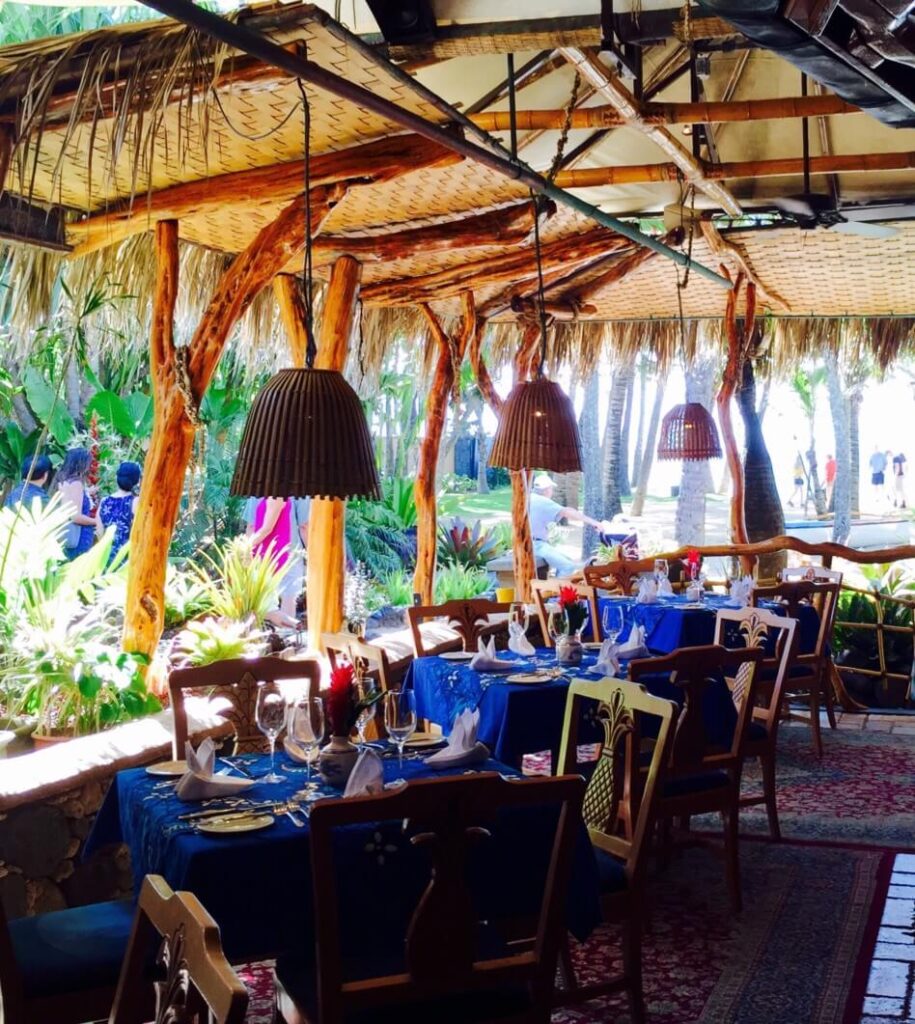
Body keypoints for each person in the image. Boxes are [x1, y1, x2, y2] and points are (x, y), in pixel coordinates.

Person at [244, 496, 310, 626]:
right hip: (286, 552)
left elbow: (253, 527)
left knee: (263, 604)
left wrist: (245, 549)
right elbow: (304, 526)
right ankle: (290, 633)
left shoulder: (265, 492)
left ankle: (288, 632)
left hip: (267, 554)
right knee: (283, 600)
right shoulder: (300, 490)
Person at [528, 474, 606, 577]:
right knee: (568, 566)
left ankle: (558, 587)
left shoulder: (530, 498)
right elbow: (568, 512)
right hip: (536, 545)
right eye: (551, 489)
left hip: (535, 543)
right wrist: (594, 523)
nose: (552, 492)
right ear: (547, 490)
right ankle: (559, 592)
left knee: (567, 560)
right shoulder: (543, 502)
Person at [55, 447, 96, 560]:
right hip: (79, 535)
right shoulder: (76, 483)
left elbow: (69, 501)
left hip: (67, 534)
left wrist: (87, 492)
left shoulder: (62, 480)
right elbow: (76, 517)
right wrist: (96, 522)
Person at [96, 461, 141, 563]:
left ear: (117, 477)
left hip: (104, 557)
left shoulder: (104, 501)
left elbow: (99, 533)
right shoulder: (136, 502)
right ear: (137, 481)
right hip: (125, 558)